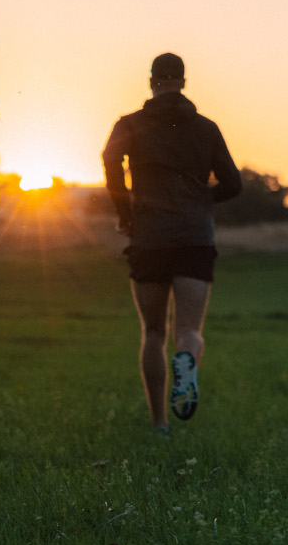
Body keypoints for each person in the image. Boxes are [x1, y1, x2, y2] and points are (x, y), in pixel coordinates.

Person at [100, 52, 242, 438]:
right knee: (189, 330)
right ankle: (187, 361)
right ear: (183, 81)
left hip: (148, 237)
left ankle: (160, 424)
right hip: (195, 237)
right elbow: (233, 184)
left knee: (153, 332)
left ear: (151, 81)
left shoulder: (128, 124)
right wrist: (199, 201)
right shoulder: (207, 128)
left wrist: (124, 209)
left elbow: (109, 161)